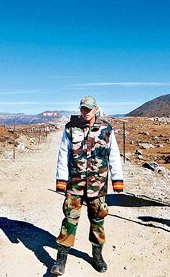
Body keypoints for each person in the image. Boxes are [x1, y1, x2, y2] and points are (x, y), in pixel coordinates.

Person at [51, 96, 124, 275]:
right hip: (75, 184)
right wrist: (61, 180)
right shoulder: (71, 128)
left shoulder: (107, 129)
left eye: (89, 109)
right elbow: (63, 154)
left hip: (97, 185)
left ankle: (97, 256)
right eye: (83, 108)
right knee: (69, 219)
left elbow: (113, 154)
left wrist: (117, 180)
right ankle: (61, 259)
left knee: (97, 219)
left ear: (96, 109)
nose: (86, 112)